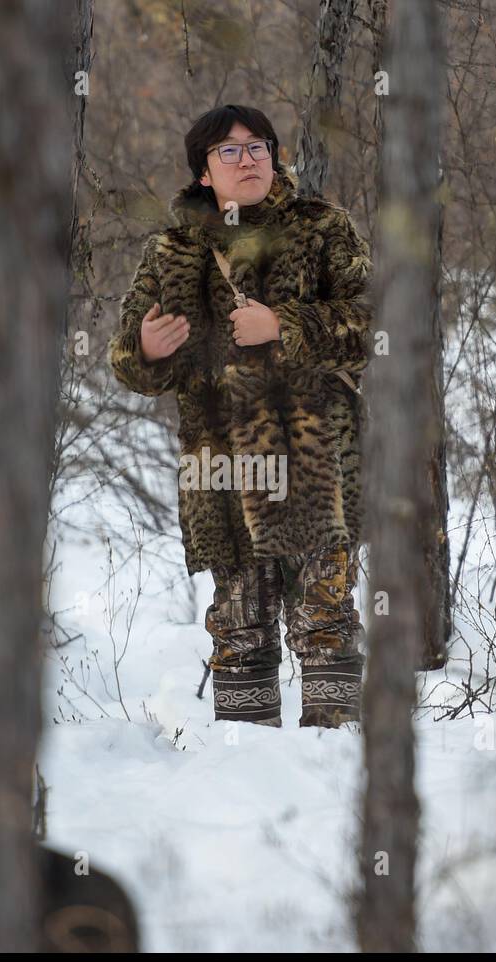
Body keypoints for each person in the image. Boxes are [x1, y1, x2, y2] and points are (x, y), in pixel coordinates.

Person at [109, 104, 372, 728]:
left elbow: (372, 320)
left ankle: (336, 764)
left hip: (315, 461)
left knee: (326, 620)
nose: (248, 160)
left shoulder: (323, 227)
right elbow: (127, 359)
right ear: (203, 172)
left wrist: (285, 326)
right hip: (221, 466)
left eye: (259, 147)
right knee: (239, 628)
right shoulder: (172, 250)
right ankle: (243, 778)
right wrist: (145, 351)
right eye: (229, 152)